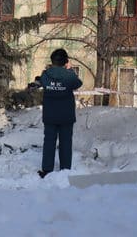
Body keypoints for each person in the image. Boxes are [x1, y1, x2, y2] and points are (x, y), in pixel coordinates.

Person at [38, 48, 82, 178]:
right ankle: (65, 169)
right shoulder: (69, 75)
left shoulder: (45, 75)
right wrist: (69, 70)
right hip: (66, 115)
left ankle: (46, 170)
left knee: (49, 142)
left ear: (52, 61)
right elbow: (78, 83)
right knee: (66, 143)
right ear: (66, 61)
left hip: (50, 115)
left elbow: (42, 82)